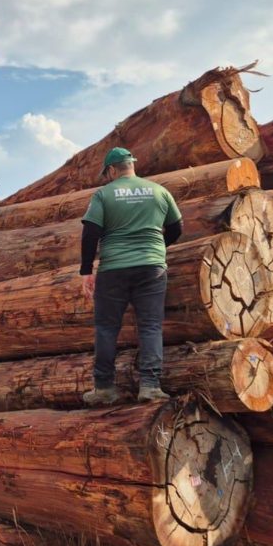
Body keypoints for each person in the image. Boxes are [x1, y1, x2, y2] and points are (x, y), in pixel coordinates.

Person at [79, 147, 183, 405]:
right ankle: (150, 386)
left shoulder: (103, 194)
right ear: (131, 165)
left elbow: (91, 232)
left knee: (106, 328)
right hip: (151, 267)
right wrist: (154, 248)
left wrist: (86, 272)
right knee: (150, 326)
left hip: (113, 268)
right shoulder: (159, 191)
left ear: (112, 170)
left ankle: (104, 388)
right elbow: (176, 227)